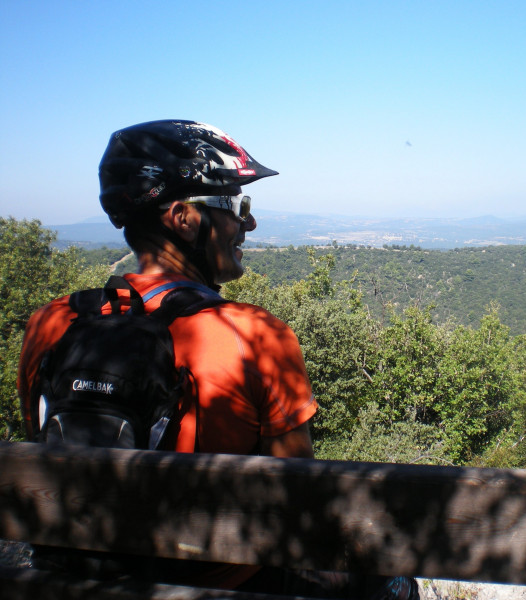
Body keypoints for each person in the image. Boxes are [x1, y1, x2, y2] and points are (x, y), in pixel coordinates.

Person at [17, 119, 418, 599]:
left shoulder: (50, 325)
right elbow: (299, 503)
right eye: (234, 205)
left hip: (73, 582)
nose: (247, 223)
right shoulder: (254, 337)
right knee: (393, 582)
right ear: (184, 219)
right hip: (224, 587)